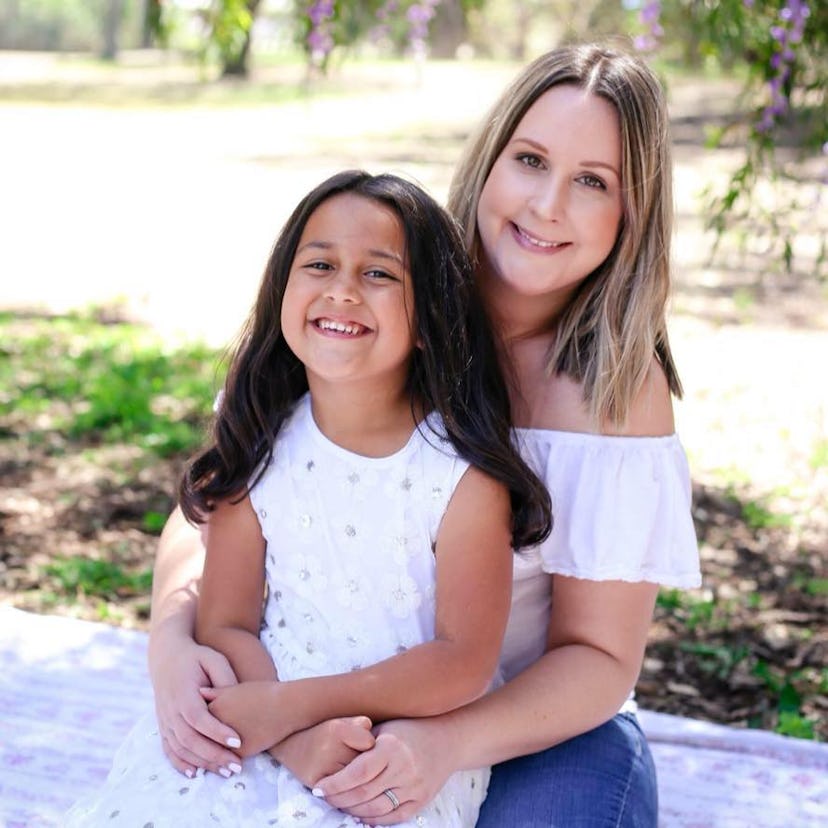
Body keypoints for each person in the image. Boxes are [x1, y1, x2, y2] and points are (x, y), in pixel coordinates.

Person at [146, 43, 702, 827]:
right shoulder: (372, 296)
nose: (547, 205)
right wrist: (171, 636)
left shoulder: (614, 390)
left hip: (534, 722)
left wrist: (441, 743)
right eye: (531, 160)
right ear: (489, 161)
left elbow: (601, 659)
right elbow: (228, 494)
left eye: (591, 182)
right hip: (327, 690)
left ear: (631, 213)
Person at [64, 170, 552, 827]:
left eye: (379, 274)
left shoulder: (460, 477)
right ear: (283, 289)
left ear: (431, 318)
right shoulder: (262, 436)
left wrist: (291, 711)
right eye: (319, 263)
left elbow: (462, 662)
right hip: (256, 697)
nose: (342, 291)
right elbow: (227, 621)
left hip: (399, 738)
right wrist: (291, 737)